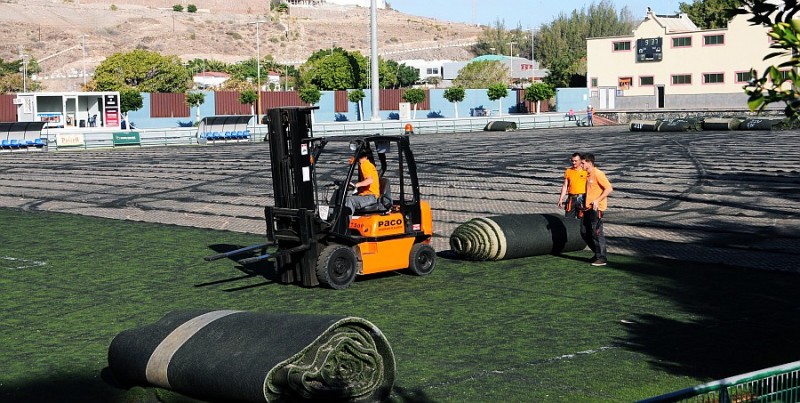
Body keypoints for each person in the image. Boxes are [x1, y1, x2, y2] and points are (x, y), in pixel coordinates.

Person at [580, 153, 613, 266]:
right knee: (584, 231)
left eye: (583, 163)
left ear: (589, 163)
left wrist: (598, 200)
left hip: (597, 208)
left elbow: (609, 189)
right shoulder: (587, 175)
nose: (581, 164)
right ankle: (597, 253)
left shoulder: (598, 174)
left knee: (596, 232)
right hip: (587, 208)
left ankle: (602, 258)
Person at [344, 150, 380, 215]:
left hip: (370, 197)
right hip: (367, 195)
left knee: (350, 200)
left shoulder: (364, 164)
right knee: (344, 199)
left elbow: (370, 180)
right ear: (366, 156)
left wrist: (356, 185)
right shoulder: (368, 164)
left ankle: (345, 223)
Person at [557, 152, 587, 219]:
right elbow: (565, 186)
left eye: (575, 161)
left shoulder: (585, 171)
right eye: (572, 161)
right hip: (571, 198)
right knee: (568, 219)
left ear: (580, 161)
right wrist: (561, 199)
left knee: (582, 219)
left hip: (582, 198)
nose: (573, 163)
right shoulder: (568, 171)